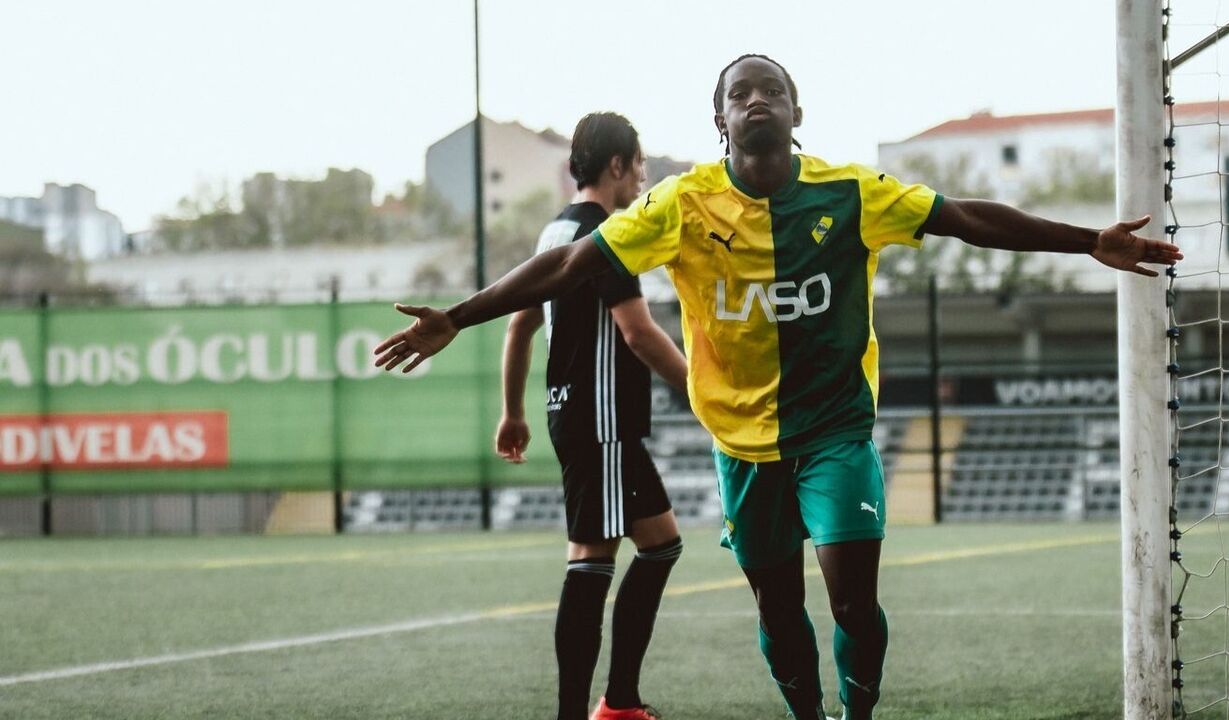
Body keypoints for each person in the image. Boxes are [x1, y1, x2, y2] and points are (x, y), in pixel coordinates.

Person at [375, 54, 1182, 720]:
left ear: (797, 113)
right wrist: (459, 316)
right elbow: (567, 265)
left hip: (835, 431)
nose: (756, 99)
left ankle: (858, 711)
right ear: (719, 120)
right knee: (777, 609)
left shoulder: (852, 192)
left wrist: (1089, 241)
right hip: (742, 445)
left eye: (772, 90)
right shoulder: (680, 205)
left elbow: (966, 218)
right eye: (740, 93)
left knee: (851, 599)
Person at [494, 112, 688, 720]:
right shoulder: (604, 235)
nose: (644, 176)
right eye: (640, 163)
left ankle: (620, 700)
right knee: (592, 555)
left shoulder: (553, 232)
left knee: (660, 544)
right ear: (617, 165)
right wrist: (705, 392)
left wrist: (513, 412)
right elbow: (638, 332)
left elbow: (519, 326)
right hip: (601, 417)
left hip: (584, 416)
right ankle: (579, 713)